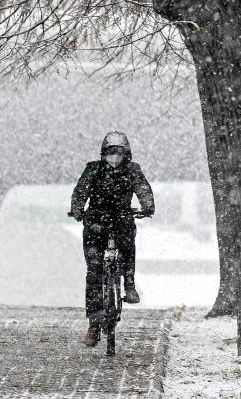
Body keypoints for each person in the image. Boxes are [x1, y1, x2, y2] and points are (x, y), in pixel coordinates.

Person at [69, 131, 155, 346]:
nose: (114, 156)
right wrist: (78, 209)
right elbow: (81, 191)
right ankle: (94, 323)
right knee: (94, 271)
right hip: (95, 223)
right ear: (103, 153)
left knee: (127, 248)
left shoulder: (132, 170)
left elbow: (143, 189)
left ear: (126, 154)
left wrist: (148, 206)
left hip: (122, 220)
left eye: (118, 152)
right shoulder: (93, 170)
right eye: (110, 152)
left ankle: (130, 284)